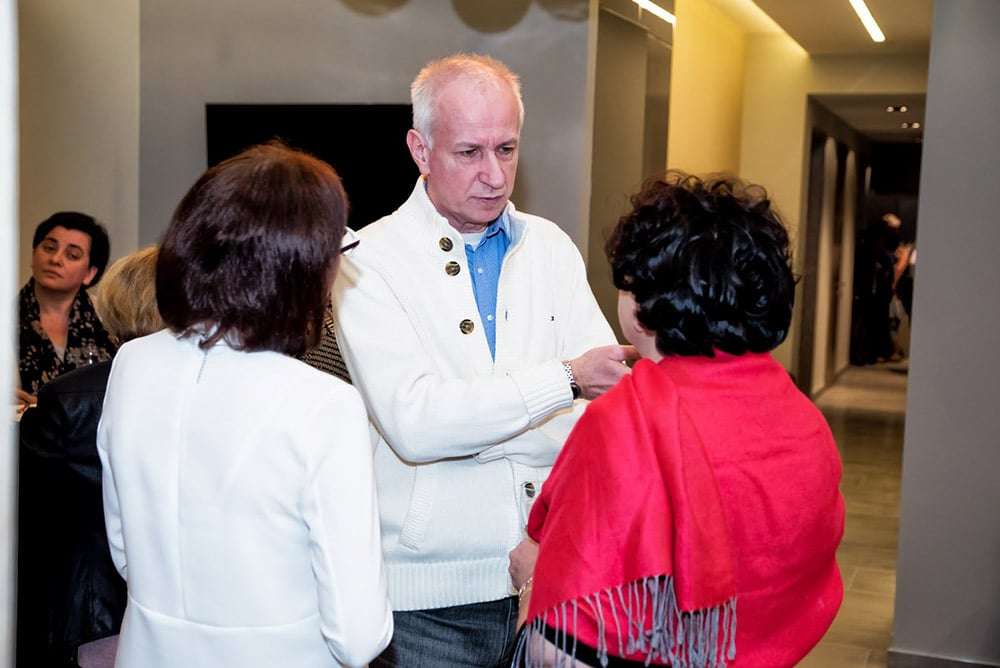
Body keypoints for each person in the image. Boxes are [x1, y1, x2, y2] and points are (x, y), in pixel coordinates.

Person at [332, 53, 633, 667]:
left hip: (551, 574)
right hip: (427, 607)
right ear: (420, 149)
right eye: (469, 152)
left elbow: (599, 415)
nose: (494, 175)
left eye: (507, 149)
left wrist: (474, 426)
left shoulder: (551, 247)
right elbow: (417, 426)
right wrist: (564, 381)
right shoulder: (367, 260)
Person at [509, 174, 845, 667]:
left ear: (640, 302)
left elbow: (560, 646)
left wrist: (532, 580)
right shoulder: (802, 417)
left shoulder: (625, 425)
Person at [97, 142, 392, 668]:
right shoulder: (323, 403)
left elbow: (125, 551)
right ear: (300, 267)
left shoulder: (133, 364)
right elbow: (358, 635)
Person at [17, 246, 162, 668]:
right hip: (175, 601)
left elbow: (28, 510)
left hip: (90, 606)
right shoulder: (210, 389)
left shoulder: (68, 396)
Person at [17, 212, 115, 407]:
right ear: (33, 254)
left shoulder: (109, 320)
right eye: (49, 248)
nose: (55, 259)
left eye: (72, 255)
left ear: (90, 273)